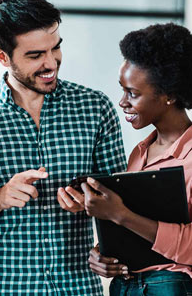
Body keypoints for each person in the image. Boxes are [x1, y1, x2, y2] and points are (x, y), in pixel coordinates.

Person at [0, 0, 126, 295]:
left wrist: (94, 209)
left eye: (55, 47)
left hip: (78, 285)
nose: (50, 63)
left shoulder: (95, 108)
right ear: (3, 56)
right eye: (35, 55)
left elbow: (122, 200)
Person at [81, 23, 192, 295]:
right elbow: (139, 228)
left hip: (170, 287)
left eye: (133, 93)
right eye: (123, 90)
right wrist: (104, 255)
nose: (122, 102)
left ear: (169, 96)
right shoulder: (141, 152)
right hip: (126, 286)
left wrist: (121, 215)